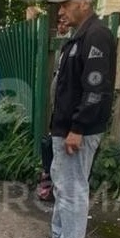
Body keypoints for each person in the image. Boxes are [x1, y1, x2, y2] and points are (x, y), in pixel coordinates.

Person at [31, 0, 116, 238]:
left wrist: (78, 128)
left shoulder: (97, 36)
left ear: (84, 3)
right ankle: (60, 237)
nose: (62, 11)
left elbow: (96, 88)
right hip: (66, 127)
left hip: (77, 130)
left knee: (72, 187)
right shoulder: (80, 36)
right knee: (62, 183)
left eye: (66, 5)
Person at [37, 16, 72, 202]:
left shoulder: (74, 45)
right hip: (57, 110)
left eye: (65, 23)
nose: (62, 26)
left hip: (68, 119)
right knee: (50, 146)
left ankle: (55, 186)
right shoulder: (64, 46)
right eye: (59, 23)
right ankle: (50, 181)